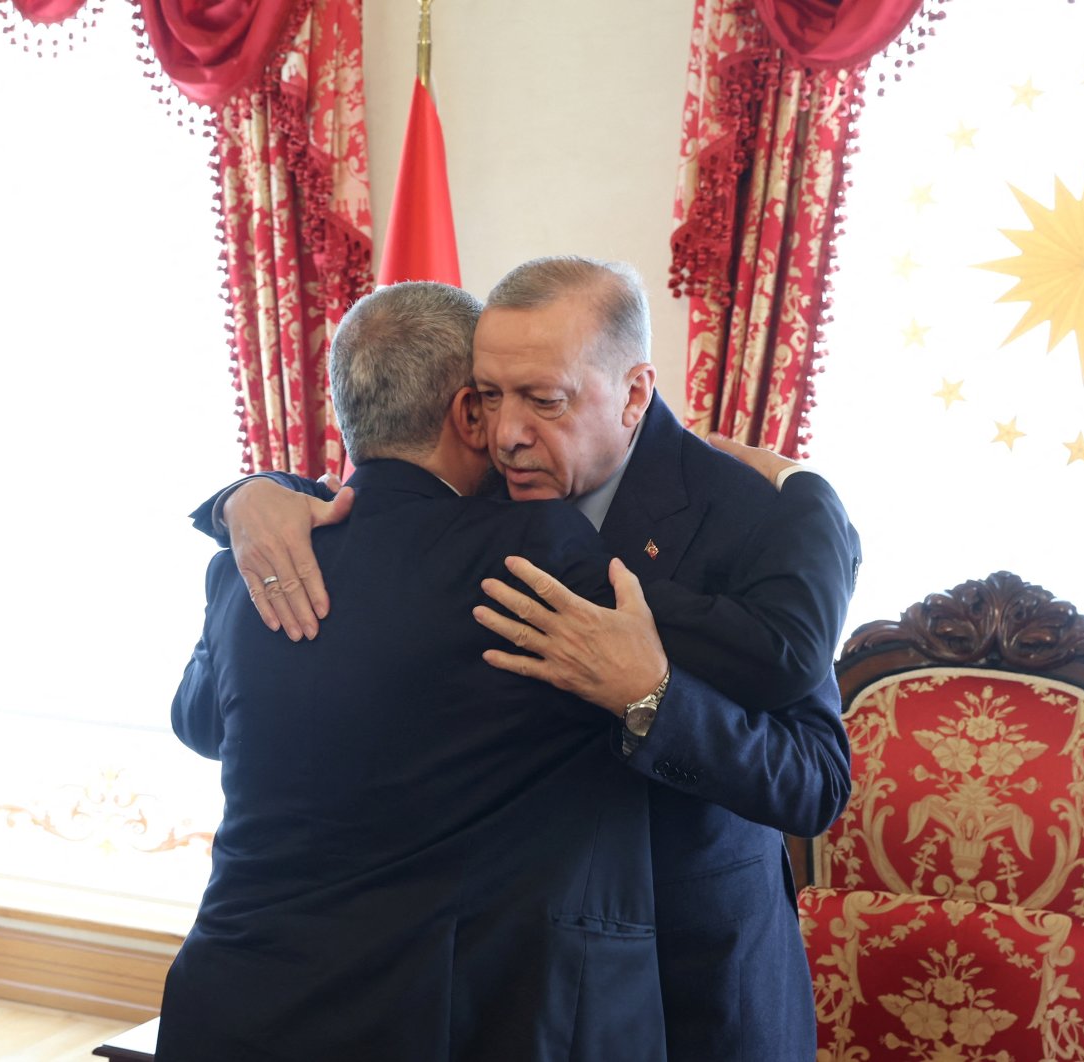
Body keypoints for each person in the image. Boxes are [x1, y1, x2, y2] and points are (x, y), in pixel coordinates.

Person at [196, 257, 860, 1060]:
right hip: (494, 996)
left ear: (635, 393)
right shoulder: (483, 481)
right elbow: (380, 505)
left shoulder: (751, 515)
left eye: (543, 401)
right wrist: (244, 495)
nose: (506, 432)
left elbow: (816, 779)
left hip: (698, 979)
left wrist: (651, 698)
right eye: (486, 397)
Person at [160, 281, 677, 1061]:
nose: (511, 427)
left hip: (224, 1003)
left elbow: (198, 722)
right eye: (496, 399)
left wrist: (245, 495)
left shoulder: (250, 565)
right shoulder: (528, 550)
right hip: (404, 1018)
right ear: (469, 413)